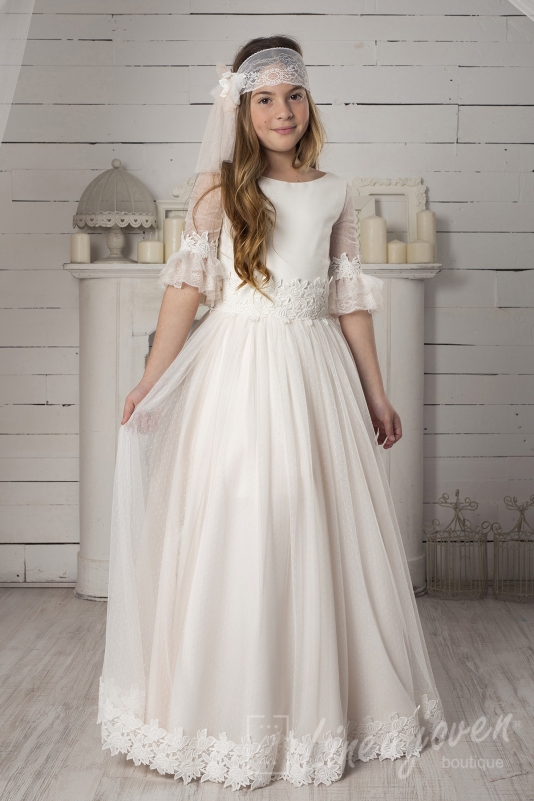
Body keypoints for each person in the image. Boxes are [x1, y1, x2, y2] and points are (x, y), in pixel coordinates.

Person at [97, 34, 448, 791]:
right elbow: (185, 290)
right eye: (264, 98)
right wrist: (151, 380)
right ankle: (226, 702)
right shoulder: (219, 191)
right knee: (242, 511)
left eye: (293, 95)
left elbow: (348, 299)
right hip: (239, 368)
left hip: (314, 369)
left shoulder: (335, 190)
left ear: (309, 102)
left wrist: (375, 391)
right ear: (241, 108)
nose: (282, 110)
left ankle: (318, 701)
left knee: (312, 516)